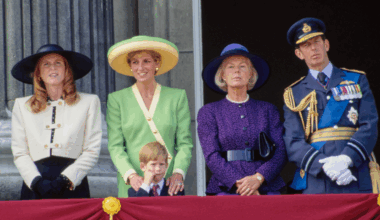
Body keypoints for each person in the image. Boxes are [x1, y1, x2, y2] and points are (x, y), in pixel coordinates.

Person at [283, 17, 378, 194]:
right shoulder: (293, 93)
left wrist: (346, 159)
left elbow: (369, 125)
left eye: (316, 42)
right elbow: (293, 141)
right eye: (306, 45)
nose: (313, 48)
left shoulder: (356, 79)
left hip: (354, 171)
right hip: (317, 178)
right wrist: (324, 166)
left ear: (326, 45)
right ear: (299, 54)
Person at [11, 44, 102, 199]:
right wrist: (35, 182)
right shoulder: (22, 105)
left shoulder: (89, 102)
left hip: (73, 184)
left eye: (58, 63)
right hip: (35, 185)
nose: (52, 68)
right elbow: (20, 152)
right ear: (38, 73)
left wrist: (66, 179)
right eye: (46, 64)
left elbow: (92, 150)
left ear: (67, 71)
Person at [106, 35, 193, 197]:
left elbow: (185, 143)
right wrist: (130, 175)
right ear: (130, 66)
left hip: (169, 183)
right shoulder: (117, 100)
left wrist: (178, 173)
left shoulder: (177, 97)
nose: (141, 67)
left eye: (146, 61)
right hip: (133, 185)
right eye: (135, 62)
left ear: (157, 64)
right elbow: (115, 146)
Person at [197, 43, 287, 196]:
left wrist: (259, 178)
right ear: (222, 75)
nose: (237, 71)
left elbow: (281, 150)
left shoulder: (268, 109)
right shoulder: (209, 112)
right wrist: (242, 185)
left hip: (266, 185)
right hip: (227, 187)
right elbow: (211, 155)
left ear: (251, 73)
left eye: (243, 66)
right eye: (230, 67)